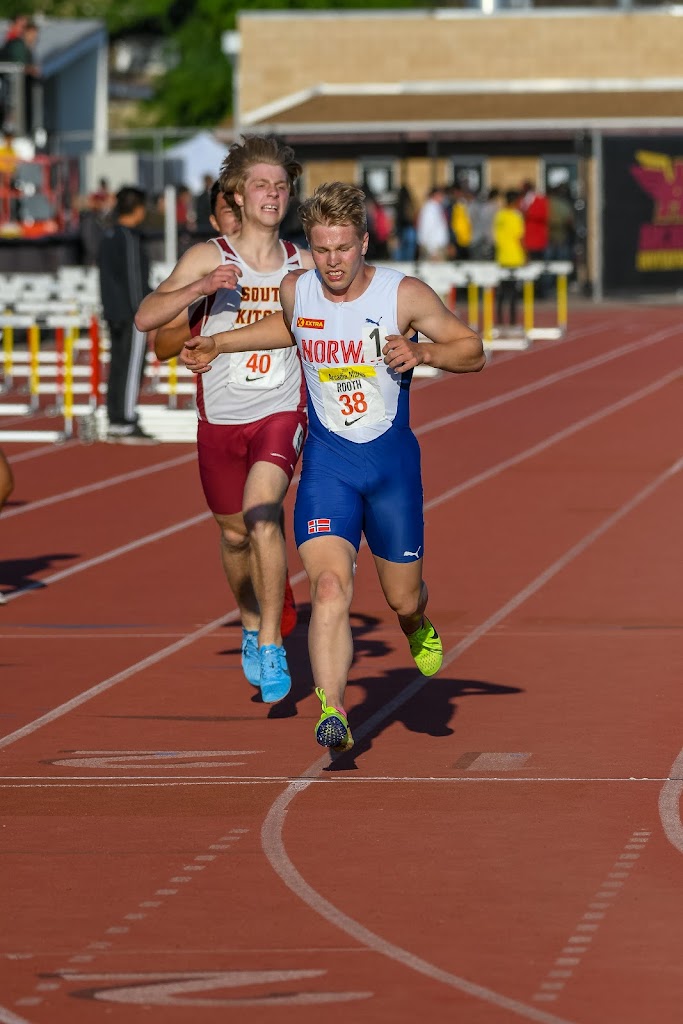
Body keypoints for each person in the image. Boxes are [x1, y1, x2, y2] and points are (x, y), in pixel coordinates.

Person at [181, 181, 485, 754]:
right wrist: (221, 345)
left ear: (364, 242)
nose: (333, 262)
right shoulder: (299, 291)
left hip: (390, 467)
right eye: (321, 250)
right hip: (329, 469)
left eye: (343, 248)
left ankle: (417, 622)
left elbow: (473, 348)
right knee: (327, 586)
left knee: (402, 596)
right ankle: (333, 709)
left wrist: (423, 353)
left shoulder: (404, 295)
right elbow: (286, 330)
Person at [135, 136, 315, 702]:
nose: (272, 195)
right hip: (220, 419)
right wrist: (200, 288)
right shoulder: (209, 257)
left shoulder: (301, 264)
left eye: (281, 187)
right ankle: (248, 620)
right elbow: (146, 318)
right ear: (237, 193)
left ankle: (271, 642)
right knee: (235, 535)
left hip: (281, 412)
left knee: (264, 515)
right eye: (261, 184)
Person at [98, 186, 157, 444]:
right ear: (139, 208)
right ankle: (125, 419)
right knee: (132, 367)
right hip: (132, 313)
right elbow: (135, 281)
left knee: (118, 366)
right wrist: (145, 313)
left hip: (113, 311)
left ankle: (116, 417)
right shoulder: (128, 238)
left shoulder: (108, 235)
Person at [493, 189, 526, 327]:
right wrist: (526, 254)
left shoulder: (499, 215)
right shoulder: (516, 215)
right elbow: (520, 236)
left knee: (501, 292)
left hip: (501, 257)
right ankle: (512, 321)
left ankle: (499, 320)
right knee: (513, 293)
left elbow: (495, 235)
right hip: (515, 257)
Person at [416, 186, 450, 261]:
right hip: (434, 248)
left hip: (438, 247)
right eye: (441, 195)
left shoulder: (437, 207)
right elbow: (427, 229)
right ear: (435, 195)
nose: (443, 197)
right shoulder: (430, 209)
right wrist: (432, 251)